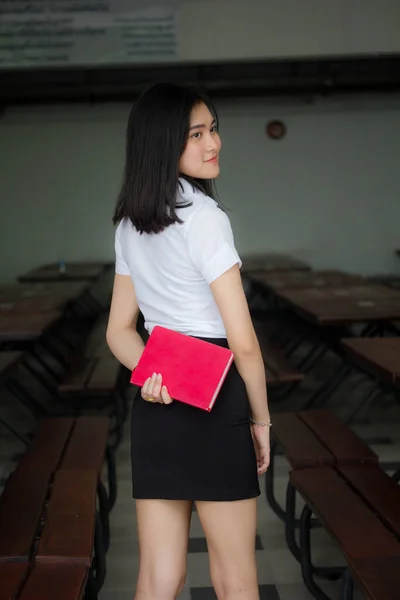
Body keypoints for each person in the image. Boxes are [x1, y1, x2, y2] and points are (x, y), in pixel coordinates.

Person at [106, 82, 271, 600]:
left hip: (158, 407)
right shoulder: (206, 220)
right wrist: (261, 421)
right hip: (217, 400)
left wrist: (154, 375)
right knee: (235, 577)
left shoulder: (130, 225)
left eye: (213, 128)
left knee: (158, 578)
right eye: (195, 134)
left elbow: (118, 332)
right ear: (162, 145)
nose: (212, 142)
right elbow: (243, 343)